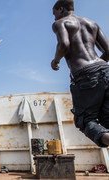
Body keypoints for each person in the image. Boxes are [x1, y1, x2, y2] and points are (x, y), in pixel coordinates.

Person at [51, 0, 109, 147]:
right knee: (106, 122)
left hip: (85, 76)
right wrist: (97, 67)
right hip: (105, 70)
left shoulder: (61, 23)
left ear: (61, 9)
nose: (54, 17)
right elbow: (108, 51)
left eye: (55, 13)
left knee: (85, 120)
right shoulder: (92, 23)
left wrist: (55, 61)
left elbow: (64, 44)